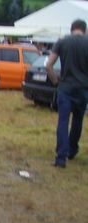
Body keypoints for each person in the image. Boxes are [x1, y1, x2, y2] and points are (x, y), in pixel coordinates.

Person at [46, 19, 88, 168]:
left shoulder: (62, 41)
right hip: (83, 88)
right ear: (85, 29)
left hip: (65, 88)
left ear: (71, 29)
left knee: (63, 121)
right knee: (78, 120)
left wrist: (56, 82)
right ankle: (72, 149)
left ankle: (61, 157)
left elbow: (49, 65)